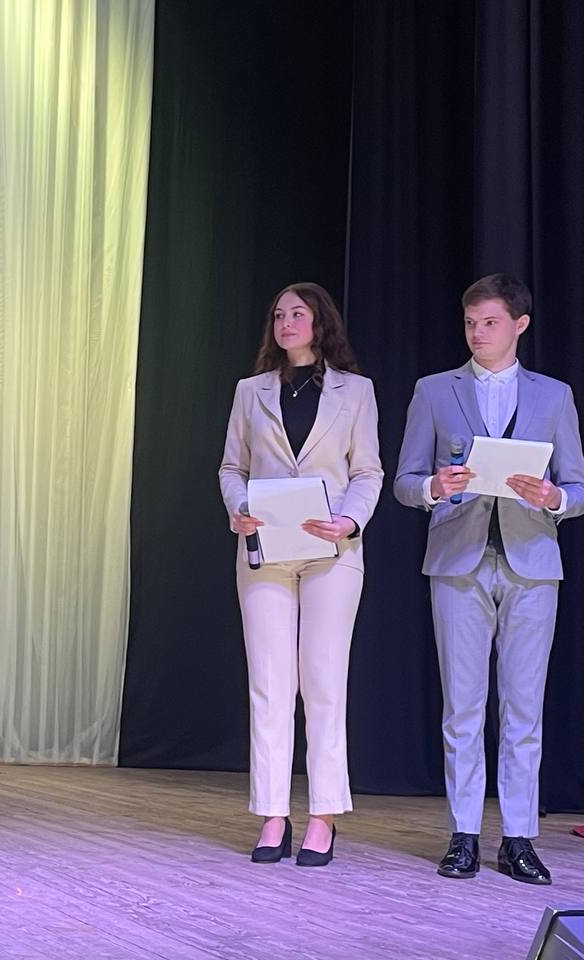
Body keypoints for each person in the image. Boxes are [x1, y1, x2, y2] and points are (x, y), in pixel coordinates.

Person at [394, 273, 584, 885]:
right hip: (458, 559)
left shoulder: (554, 395)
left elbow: (577, 485)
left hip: (532, 561)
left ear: (520, 325)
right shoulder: (434, 390)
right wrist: (433, 487)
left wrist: (555, 497)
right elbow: (404, 480)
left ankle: (519, 837)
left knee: (524, 707)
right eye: (471, 323)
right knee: (463, 706)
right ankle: (465, 834)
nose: (478, 334)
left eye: (491, 323)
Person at [219, 282, 383, 867]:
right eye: (279, 315)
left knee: (323, 681)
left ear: (320, 323)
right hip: (266, 548)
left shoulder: (355, 391)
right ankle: (272, 814)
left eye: (298, 313)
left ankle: (323, 816)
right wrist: (239, 508)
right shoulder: (251, 391)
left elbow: (367, 472)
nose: (286, 322)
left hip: (330, 550)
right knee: (269, 683)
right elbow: (232, 466)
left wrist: (349, 521)